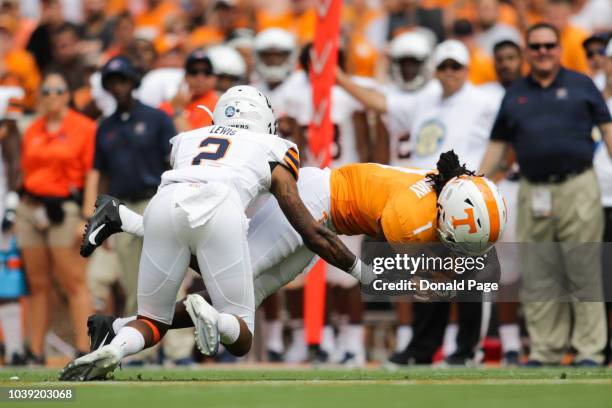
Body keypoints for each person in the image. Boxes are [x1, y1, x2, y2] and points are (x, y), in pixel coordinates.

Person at [60, 85, 362, 381]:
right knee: (241, 334)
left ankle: (115, 348)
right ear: (265, 121)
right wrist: (364, 273)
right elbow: (309, 230)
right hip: (220, 208)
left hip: (164, 204)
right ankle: (213, 315)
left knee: (152, 319)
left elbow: (196, 185)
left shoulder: (187, 139)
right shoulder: (273, 147)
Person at [479, 23, 612, 366]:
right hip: (533, 187)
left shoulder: (581, 85)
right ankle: (545, 349)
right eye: (536, 46)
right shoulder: (516, 93)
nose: (543, 52)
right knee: (538, 271)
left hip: (577, 184)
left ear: (558, 48)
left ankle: (589, 350)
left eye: (549, 45)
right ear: (528, 51)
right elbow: (498, 142)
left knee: (583, 267)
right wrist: (477, 180)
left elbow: (608, 130)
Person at [82, 56, 176, 318]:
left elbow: (173, 162)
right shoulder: (105, 128)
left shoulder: (157, 118)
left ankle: (177, 351)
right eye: (112, 82)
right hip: (122, 207)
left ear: (132, 82)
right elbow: (102, 175)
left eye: (122, 80)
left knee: (168, 271)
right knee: (132, 280)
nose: (118, 87)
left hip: (155, 200)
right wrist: (100, 214)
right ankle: (143, 348)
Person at [15, 71, 96, 363]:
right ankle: (34, 350)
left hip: (65, 207)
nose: (51, 96)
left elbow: (91, 173)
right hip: (32, 207)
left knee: (73, 280)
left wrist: (86, 216)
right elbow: (26, 171)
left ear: (67, 95)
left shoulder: (83, 127)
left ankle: (86, 348)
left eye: (57, 90)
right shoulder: (34, 128)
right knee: (37, 283)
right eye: (45, 91)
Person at [478, 39, 524, 366]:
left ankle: (535, 338)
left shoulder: (532, 92)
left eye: (511, 58)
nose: (505, 64)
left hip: (532, 184)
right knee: (503, 269)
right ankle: (508, 342)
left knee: (539, 268)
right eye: (500, 59)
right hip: (499, 186)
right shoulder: (486, 97)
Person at [159, 50, 219, 133]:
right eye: (194, 72)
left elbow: (194, 142)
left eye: (206, 72)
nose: (200, 78)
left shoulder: (219, 106)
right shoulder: (171, 104)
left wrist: (178, 111)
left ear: (214, 78)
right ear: (185, 77)